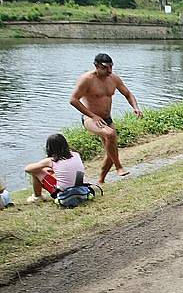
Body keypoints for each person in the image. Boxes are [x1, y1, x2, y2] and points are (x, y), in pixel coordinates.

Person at [69, 53, 142, 184]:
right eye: (105, 67)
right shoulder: (86, 79)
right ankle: (119, 167)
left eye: (111, 67)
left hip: (107, 119)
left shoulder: (113, 78)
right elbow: (73, 100)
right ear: (96, 66)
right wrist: (93, 116)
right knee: (110, 134)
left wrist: (135, 107)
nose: (109, 71)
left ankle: (101, 180)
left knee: (111, 150)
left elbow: (128, 93)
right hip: (90, 118)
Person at [24, 134, 85, 204]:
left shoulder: (51, 160)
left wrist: (43, 167)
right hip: (80, 189)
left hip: (64, 194)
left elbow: (28, 169)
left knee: (36, 171)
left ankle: (37, 197)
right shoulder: (76, 154)